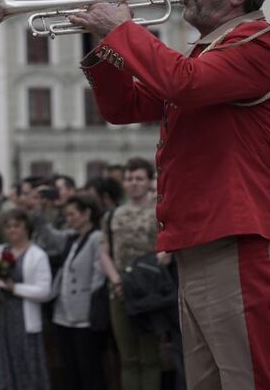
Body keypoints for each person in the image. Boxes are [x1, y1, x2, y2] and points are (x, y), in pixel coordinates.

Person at [69, 0, 270, 390]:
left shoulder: (258, 42)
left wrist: (123, 31)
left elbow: (182, 84)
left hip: (235, 239)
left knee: (249, 381)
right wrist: (105, 41)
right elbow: (124, 108)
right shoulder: (205, 52)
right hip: (199, 241)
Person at [99, 157, 162, 390]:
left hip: (149, 291)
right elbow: (104, 252)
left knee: (150, 357)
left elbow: (166, 250)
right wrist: (116, 280)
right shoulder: (112, 216)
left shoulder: (158, 212)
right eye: (129, 179)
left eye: (139, 178)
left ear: (149, 181)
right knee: (128, 359)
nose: (133, 183)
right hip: (119, 290)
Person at [0, 209, 52, 390]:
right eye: (8, 226)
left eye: (16, 226)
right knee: (1, 362)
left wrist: (15, 288)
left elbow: (44, 290)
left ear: (26, 228)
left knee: (25, 364)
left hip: (23, 319)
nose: (12, 230)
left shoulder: (37, 255)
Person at [50, 195, 108, 390]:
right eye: (67, 215)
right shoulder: (72, 238)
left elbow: (98, 275)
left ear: (87, 214)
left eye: (73, 214)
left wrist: (92, 306)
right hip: (63, 313)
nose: (69, 219)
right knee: (70, 367)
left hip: (84, 315)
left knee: (89, 368)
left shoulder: (96, 238)